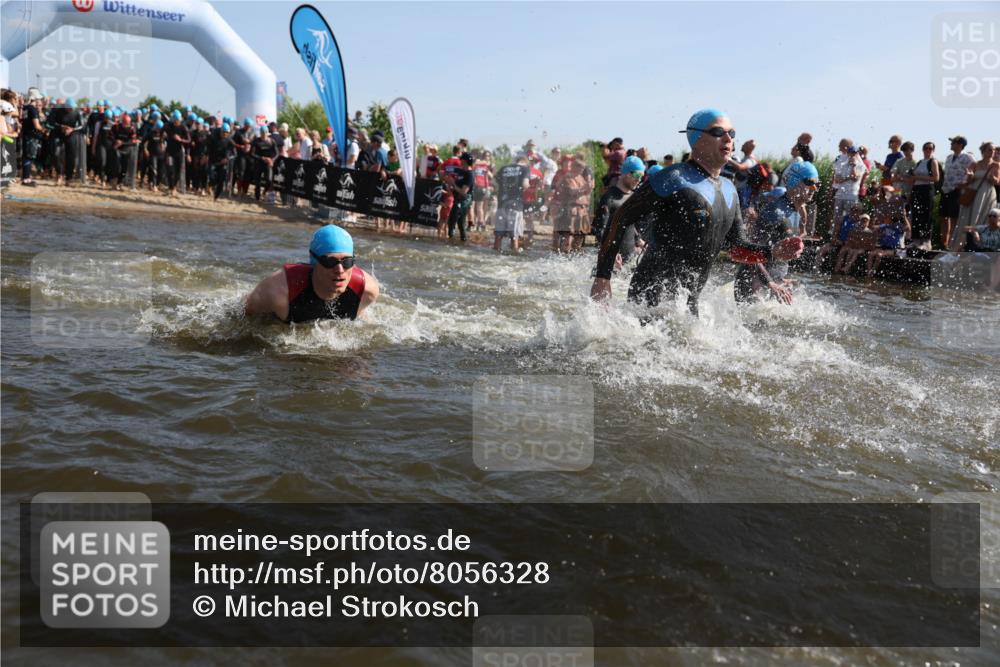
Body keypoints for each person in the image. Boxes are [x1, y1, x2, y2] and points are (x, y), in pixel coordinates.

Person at [591, 108, 803, 315]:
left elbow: (737, 248)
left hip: (688, 303)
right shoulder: (672, 178)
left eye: (732, 133)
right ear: (696, 138)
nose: (728, 139)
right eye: (719, 132)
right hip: (651, 295)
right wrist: (602, 278)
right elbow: (620, 218)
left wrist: (772, 252)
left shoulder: (729, 190)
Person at [245, 225, 379, 323]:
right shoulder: (278, 291)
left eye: (347, 261)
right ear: (313, 262)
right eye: (329, 261)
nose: (339, 269)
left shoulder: (366, 291)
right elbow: (246, 314)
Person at [734, 161, 820, 303]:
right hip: (753, 284)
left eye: (818, 184)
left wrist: (779, 278)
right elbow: (751, 253)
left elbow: (776, 251)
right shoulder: (775, 213)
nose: (815, 188)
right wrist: (770, 282)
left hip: (770, 283)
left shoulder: (795, 210)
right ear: (794, 181)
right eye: (810, 182)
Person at [591, 155, 645, 269]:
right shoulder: (609, 198)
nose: (639, 179)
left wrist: (638, 240)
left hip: (629, 259)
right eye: (636, 175)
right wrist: (611, 253)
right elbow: (599, 228)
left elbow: (629, 223)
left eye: (642, 176)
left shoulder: (633, 197)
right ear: (626, 173)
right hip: (612, 261)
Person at [950, 142, 1000, 251]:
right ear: (983, 151)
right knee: (969, 217)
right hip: (974, 192)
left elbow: (997, 182)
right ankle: (962, 245)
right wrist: (970, 177)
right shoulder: (975, 164)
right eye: (989, 150)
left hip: (987, 193)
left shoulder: (995, 165)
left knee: (985, 217)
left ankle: (981, 246)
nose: (992, 152)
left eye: (993, 150)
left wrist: (992, 178)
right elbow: (967, 181)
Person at [939, 135, 976, 249]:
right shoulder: (949, 157)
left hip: (957, 190)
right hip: (945, 190)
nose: (951, 144)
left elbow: (975, 168)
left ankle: (953, 243)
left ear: (960, 145)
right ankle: (943, 243)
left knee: (955, 218)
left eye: (954, 142)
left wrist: (966, 183)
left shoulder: (967, 157)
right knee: (944, 217)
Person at [549, 156, 591, 252]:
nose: (582, 169)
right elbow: (572, 192)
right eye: (580, 167)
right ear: (574, 167)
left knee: (580, 234)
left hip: (582, 209)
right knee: (568, 234)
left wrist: (589, 187)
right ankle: (564, 254)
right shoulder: (567, 177)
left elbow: (586, 193)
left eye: (583, 168)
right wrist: (585, 187)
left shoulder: (580, 177)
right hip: (571, 209)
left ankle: (575, 255)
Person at [867, 187, 911, 277]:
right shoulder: (885, 225)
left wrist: (904, 217)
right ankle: (868, 271)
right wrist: (874, 217)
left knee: (879, 255)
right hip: (884, 247)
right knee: (871, 254)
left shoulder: (897, 226)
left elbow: (908, 229)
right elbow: (872, 227)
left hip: (895, 249)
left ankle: (873, 272)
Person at [493, 155, 531, 253]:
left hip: (502, 204)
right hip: (515, 205)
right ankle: (514, 256)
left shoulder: (504, 168)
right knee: (514, 236)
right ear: (526, 162)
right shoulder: (525, 169)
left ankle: (495, 253)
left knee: (498, 235)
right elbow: (525, 185)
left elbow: (494, 182)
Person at [909, 142, 940, 247]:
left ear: (933, 150)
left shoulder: (933, 161)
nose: (928, 150)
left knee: (926, 215)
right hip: (917, 189)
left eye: (930, 148)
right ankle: (916, 239)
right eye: (926, 148)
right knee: (916, 214)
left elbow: (936, 178)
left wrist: (918, 177)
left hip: (927, 189)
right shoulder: (919, 162)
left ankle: (926, 240)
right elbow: (913, 178)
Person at [831, 140, 864, 233]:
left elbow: (855, 178)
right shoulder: (842, 163)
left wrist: (853, 166)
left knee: (850, 218)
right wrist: (848, 177)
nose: (852, 155)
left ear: (857, 153)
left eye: (854, 153)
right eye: (850, 152)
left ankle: (848, 238)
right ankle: (834, 237)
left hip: (851, 196)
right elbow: (837, 179)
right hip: (840, 195)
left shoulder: (860, 165)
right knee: (836, 218)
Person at [442, 152, 475, 241]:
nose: (460, 161)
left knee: (458, 222)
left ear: (465, 161)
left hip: (464, 200)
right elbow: (455, 187)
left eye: (462, 160)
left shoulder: (469, 174)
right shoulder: (461, 172)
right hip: (457, 199)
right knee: (453, 222)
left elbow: (464, 192)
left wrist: (452, 183)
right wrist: (449, 182)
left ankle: (458, 241)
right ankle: (453, 241)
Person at [250, 125, 278, 201]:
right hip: (259, 163)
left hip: (268, 163)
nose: (264, 134)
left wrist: (272, 160)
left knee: (269, 180)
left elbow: (277, 153)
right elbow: (251, 153)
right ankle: (257, 196)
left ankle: (264, 192)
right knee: (257, 181)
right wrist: (261, 158)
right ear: (260, 133)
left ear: (267, 133)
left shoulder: (272, 141)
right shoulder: (256, 141)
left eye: (265, 132)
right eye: (262, 132)